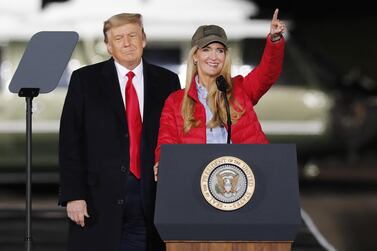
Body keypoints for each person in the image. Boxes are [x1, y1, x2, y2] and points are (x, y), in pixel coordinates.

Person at [58, 13, 180, 251]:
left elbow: (176, 134)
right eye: (119, 38)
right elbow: (70, 141)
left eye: (133, 35)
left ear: (143, 39)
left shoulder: (168, 81)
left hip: (152, 197)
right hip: (97, 199)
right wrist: (74, 194)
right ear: (108, 46)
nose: (127, 43)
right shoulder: (84, 80)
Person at [154, 9, 285, 177]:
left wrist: (274, 41)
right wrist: (162, 160)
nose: (214, 56)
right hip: (196, 179)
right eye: (207, 49)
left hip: (245, 178)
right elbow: (166, 139)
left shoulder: (240, 88)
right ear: (195, 55)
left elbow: (268, 73)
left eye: (220, 50)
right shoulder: (176, 100)